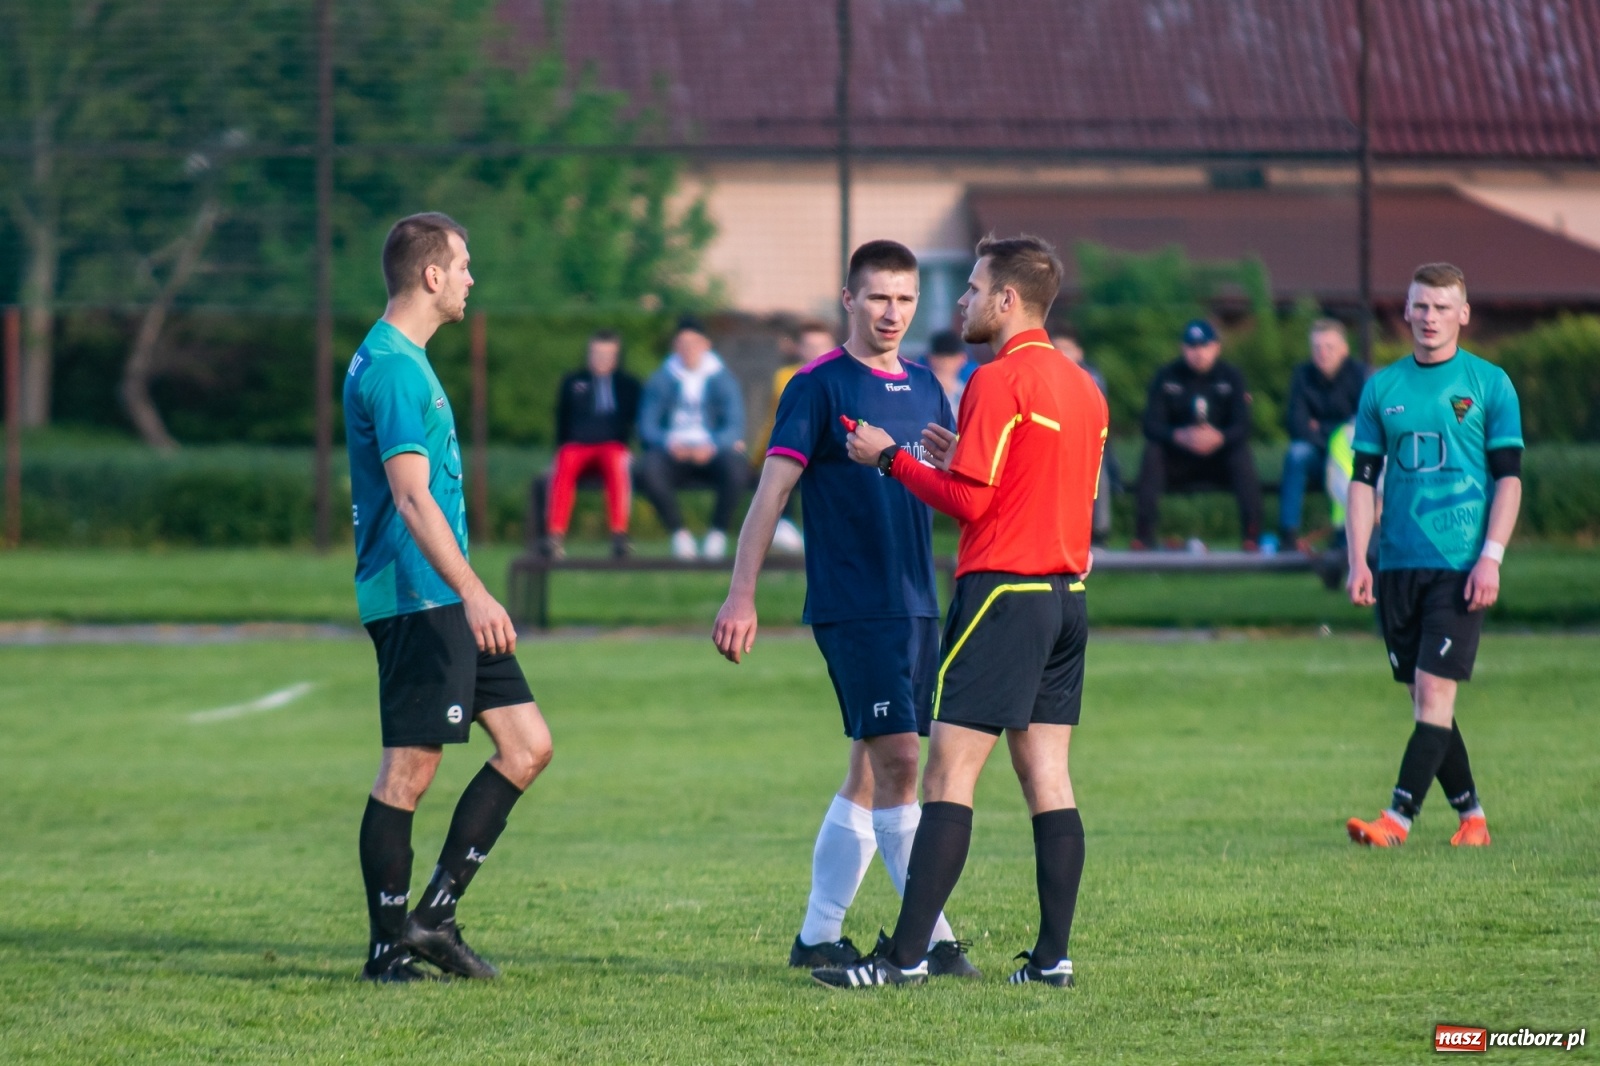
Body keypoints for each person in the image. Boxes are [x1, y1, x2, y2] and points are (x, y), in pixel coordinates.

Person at [822, 234, 1108, 990]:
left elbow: (971, 504)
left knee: (947, 773)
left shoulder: (997, 377)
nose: (961, 302)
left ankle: (905, 959)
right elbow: (1049, 491)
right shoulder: (1085, 388)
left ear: (1008, 300)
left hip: (1003, 594)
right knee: (1048, 775)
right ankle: (1053, 960)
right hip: (1067, 598)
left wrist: (892, 457)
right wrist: (956, 459)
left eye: (974, 288)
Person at [712, 239, 974, 978]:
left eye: (905, 299)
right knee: (901, 760)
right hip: (854, 603)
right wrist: (742, 593)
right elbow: (772, 494)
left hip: (919, 603)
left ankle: (817, 937)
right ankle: (935, 942)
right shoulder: (816, 386)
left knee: (868, 767)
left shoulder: (928, 386)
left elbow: (951, 489)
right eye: (878, 298)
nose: (892, 313)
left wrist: (955, 466)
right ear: (848, 301)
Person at [344, 213, 553, 983]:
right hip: (420, 597)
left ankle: (431, 918)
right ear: (431, 275)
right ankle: (386, 948)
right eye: (463, 264)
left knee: (528, 745)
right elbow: (410, 498)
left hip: (442, 594)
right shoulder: (396, 368)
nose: (470, 278)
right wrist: (473, 591)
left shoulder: (399, 357)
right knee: (410, 768)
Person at [1344, 263, 1522, 849]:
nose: (1430, 318)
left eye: (1443, 307)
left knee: (1435, 692)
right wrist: (1359, 558)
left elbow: (1508, 482)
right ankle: (1473, 818)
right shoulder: (1382, 388)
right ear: (1406, 312)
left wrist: (1491, 557)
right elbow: (1363, 481)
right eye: (1421, 306)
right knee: (1426, 698)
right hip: (1396, 564)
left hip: (1460, 565)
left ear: (1464, 315)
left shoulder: (1490, 384)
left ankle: (1396, 820)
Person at [1133, 319, 1264, 550]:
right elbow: (1150, 424)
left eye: (1204, 346)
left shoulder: (1231, 376)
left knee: (1241, 455)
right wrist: (1179, 435)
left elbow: (1243, 425)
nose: (1198, 353)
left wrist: (1220, 438)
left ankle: (1252, 535)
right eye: (1192, 347)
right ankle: (1144, 536)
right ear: (1183, 348)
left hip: (1218, 460)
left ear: (1216, 347)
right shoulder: (1167, 376)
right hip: (1179, 459)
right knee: (1152, 453)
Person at [637, 316, 747, 560]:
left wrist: (713, 445)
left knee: (738, 468)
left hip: (711, 451)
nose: (688, 350)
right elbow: (647, 425)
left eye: (694, 344)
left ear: (706, 345)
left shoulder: (722, 378)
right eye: (682, 344)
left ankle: (717, 533)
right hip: (673, 451)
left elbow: (734, 424)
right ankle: (679, 534)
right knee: (648, 469)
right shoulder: (662, 378)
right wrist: (668, 442)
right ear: (675, 347)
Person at [546, 330, 642, 560]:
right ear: (589, 354)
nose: (602, 359)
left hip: (612, 447)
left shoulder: (628, 385)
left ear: (617, 357)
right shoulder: (573, 382)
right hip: (578, 447)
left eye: (608, 355)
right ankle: (554, 536)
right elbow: (563, 420)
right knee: (564, 459)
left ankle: (619, 534)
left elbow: (636, 421)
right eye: (597, 354)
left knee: (617, 462)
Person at [1278, 319, 1366, 547]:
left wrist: (1322, 427)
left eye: (1329, 347)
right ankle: (1288, 534)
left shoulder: (1360, 376)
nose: (1322, 353)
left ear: (1344, 349)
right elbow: (1296, 425)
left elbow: (1363, 425)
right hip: (1316, 451)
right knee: (1296, 455)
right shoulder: (1302, 376)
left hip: (1349, 456)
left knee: (1350, 460)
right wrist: (1333, 434)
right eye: (1317, 348)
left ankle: (1346, 534)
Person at [753, 322, 838, 555]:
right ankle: (784, 526)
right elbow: (774, 420)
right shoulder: (785, 378)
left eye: (821, 346)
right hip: (797, 447)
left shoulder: (842, 377)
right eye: (809, 346)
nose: (815, 351)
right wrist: (758, 455)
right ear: (799, 348)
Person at [1053, 325, 1117, 545]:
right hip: (1051, 442)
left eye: (1066, 348)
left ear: (1079, 352)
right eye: (1055, 348)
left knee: (1099, 466)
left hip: (1085, 443)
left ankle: (1098, 532)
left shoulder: (1091, 379)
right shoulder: (1043, 375)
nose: (1060, 353)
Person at [924, 329, 974, 414]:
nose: (946, 363)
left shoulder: (968, 394)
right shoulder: (920, 391)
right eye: (942, 359)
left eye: (950, 359)